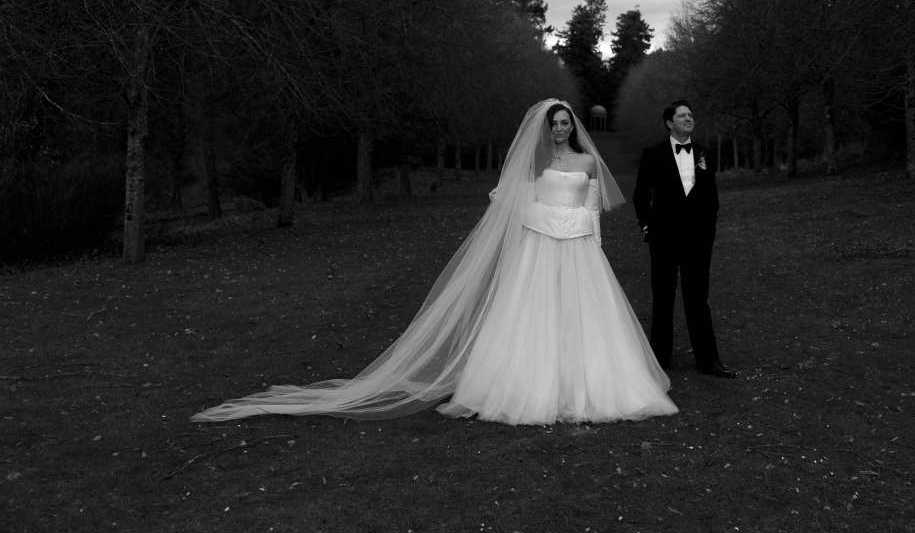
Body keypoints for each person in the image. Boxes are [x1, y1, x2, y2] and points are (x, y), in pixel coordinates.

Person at [192, 99, 677, 426]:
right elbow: (516, 200)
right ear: (546, 127)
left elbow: (592, 208)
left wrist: (594, 244)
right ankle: (526, 387)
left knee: (581, 317)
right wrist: (534, 228)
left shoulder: (588, 163)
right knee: (532, 316)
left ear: (574, 126)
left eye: (565, 122)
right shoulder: (535, 163)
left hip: (578, 248)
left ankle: (585, 386)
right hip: (540, 244)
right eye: (554, 123)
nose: (560, 128)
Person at [632, 100, 735, 378]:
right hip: (663, 239)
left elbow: (711, 196)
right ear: (670, 123)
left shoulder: (704, 152)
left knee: (698, 299)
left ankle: (709, 360)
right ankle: (659, 360)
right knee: (663, 299)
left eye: (690, 114)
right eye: (682, 116)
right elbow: (641, 195)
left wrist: (709, 229)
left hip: (698, 240)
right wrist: (648, 227)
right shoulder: (653, 153)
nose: (689, 118)